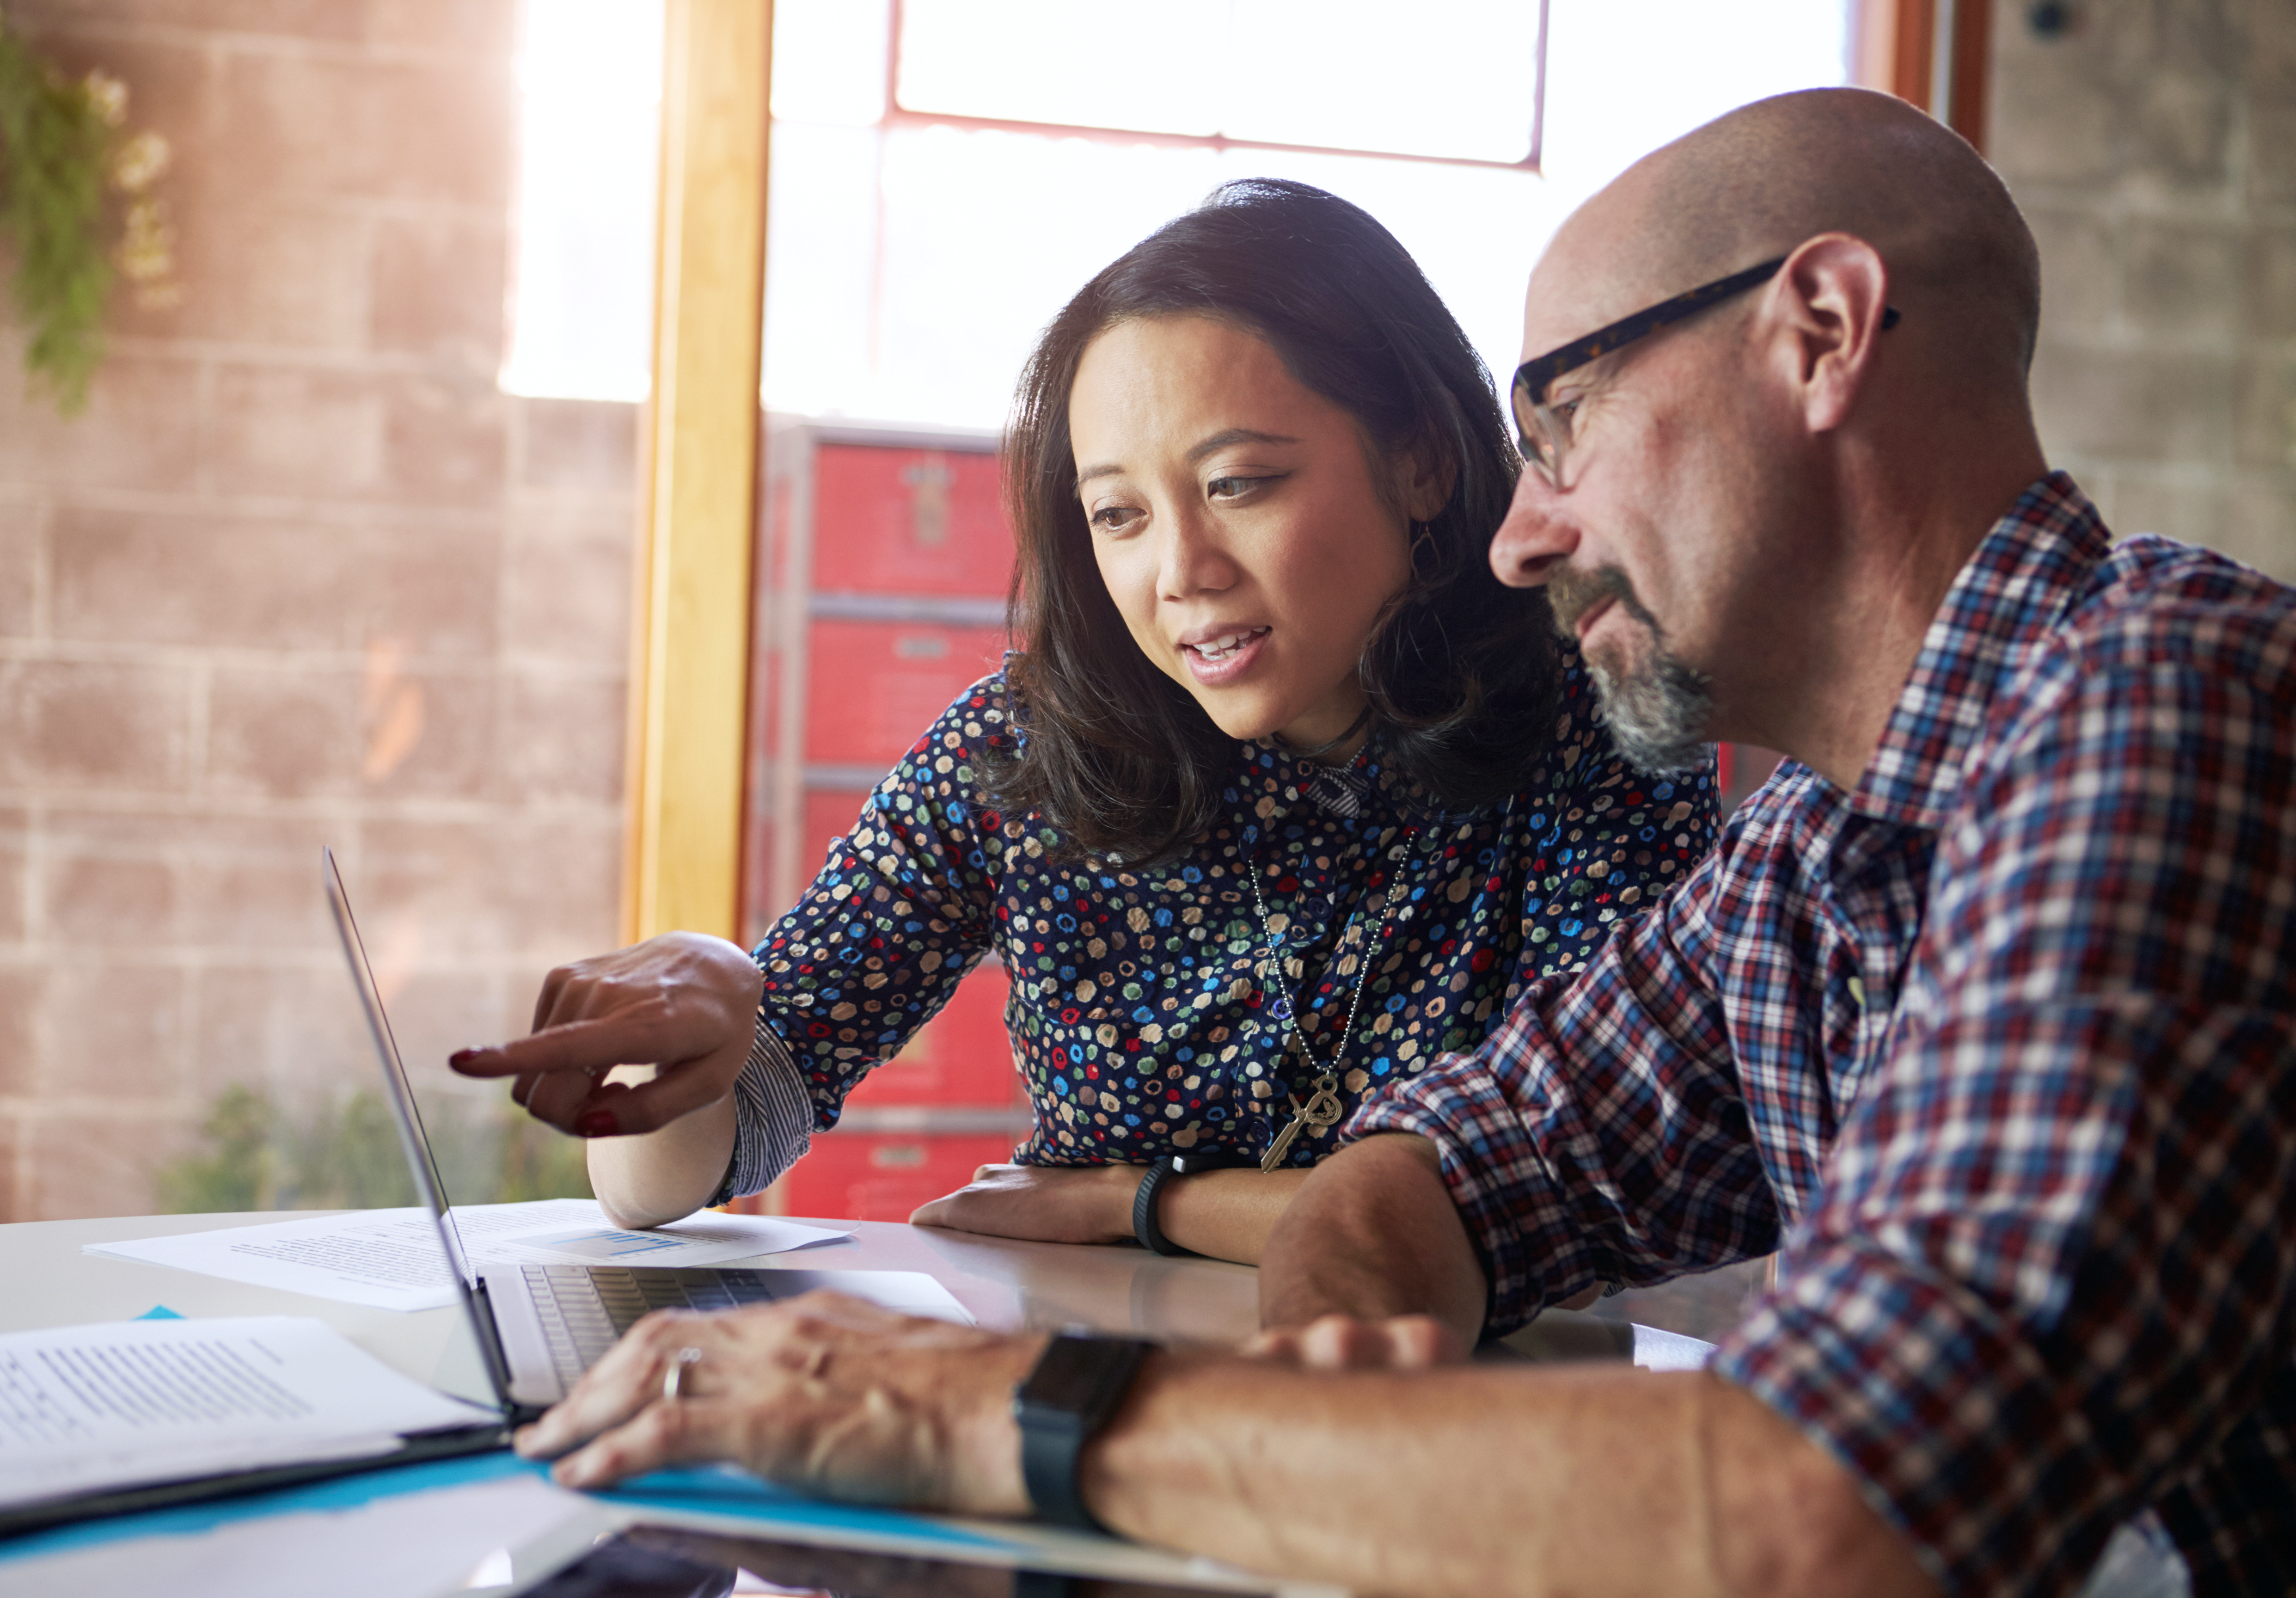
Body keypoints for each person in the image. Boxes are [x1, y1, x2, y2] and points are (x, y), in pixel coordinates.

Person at [499, 88, 2294, 1598]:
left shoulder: (2163, 703)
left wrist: (987, 1407)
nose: (1526, 533)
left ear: (1821, 331)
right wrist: (1321, 1442)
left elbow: (1839, 1508)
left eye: (1564, 421)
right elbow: (1445, 1169)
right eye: (1119, 513)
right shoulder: (1818, 845)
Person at [452, 178, 1716, 1264]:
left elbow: (1583, 1188)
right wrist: (705, 1016)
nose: (1182, 571)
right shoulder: (1025, 747)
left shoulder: (1593, 723)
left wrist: (1143, 1205)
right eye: (1120, 515)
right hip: (1098, 1413)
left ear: (1422, 462)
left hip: (1460, 1423)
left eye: (1239, 484)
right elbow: (666, 1184)